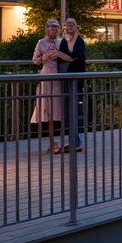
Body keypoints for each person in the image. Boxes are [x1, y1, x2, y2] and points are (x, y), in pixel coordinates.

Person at [31, 19, 63, 154]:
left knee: (59, 109)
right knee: (47, 110)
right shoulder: (41, 43)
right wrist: (43, 58)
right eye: (51, 27)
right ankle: (52, 142)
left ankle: (63, 141)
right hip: (46, 78)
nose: (54, 29)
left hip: (59, 78)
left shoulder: (61, 42)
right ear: (46, 29)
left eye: (56, 27)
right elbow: (35, 61)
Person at [55, 18, 87, 153]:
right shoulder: (63, 42)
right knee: (68, 112)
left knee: (76, 111)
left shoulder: (79, 41)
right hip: (66, 79)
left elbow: (80, 58)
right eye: (66, 27)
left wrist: (67, 57)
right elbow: (61, 58)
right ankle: (72, 141)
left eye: (71, 26)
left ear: (75, 27)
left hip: (77, 80)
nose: (68, 29)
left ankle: (76, 141)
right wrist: (68, 58)